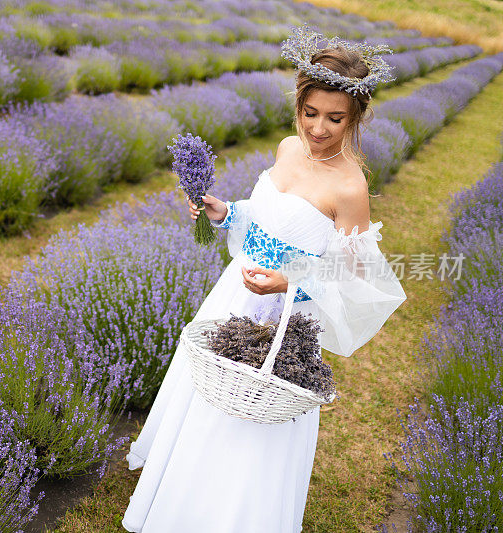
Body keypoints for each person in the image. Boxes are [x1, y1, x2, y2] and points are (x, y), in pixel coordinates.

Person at [121, 25, 407, 533]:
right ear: (298, 104)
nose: (318, 129)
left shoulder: (351, 187)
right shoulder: (286, 149)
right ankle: (183, 500)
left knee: (252, 420)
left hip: (283, 319)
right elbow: (268, 218)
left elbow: (355, 275)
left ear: (355, 118)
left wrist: (291, 280)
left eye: (335, 119)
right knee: (206, 396)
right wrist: (225, 211)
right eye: (310, 113)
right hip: (235, 295)